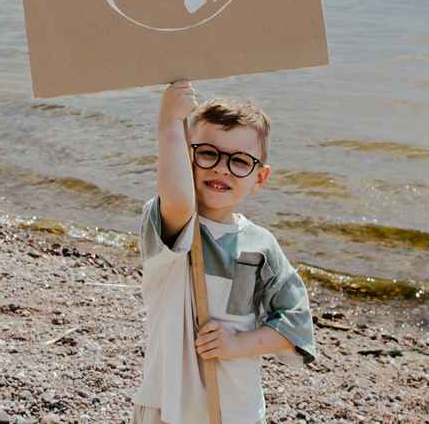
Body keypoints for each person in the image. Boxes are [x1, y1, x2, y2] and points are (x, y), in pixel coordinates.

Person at [132, 80, 315, 424]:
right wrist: (170, 124)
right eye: (207, 152)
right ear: (187, 156)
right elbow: (180, 200)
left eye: (241, 161)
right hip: (164, 404)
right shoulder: (169, 223)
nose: (221, 167)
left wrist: (237, 344)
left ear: (260, 178)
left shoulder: (260, 246)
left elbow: (295, 322)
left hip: (235, 410)